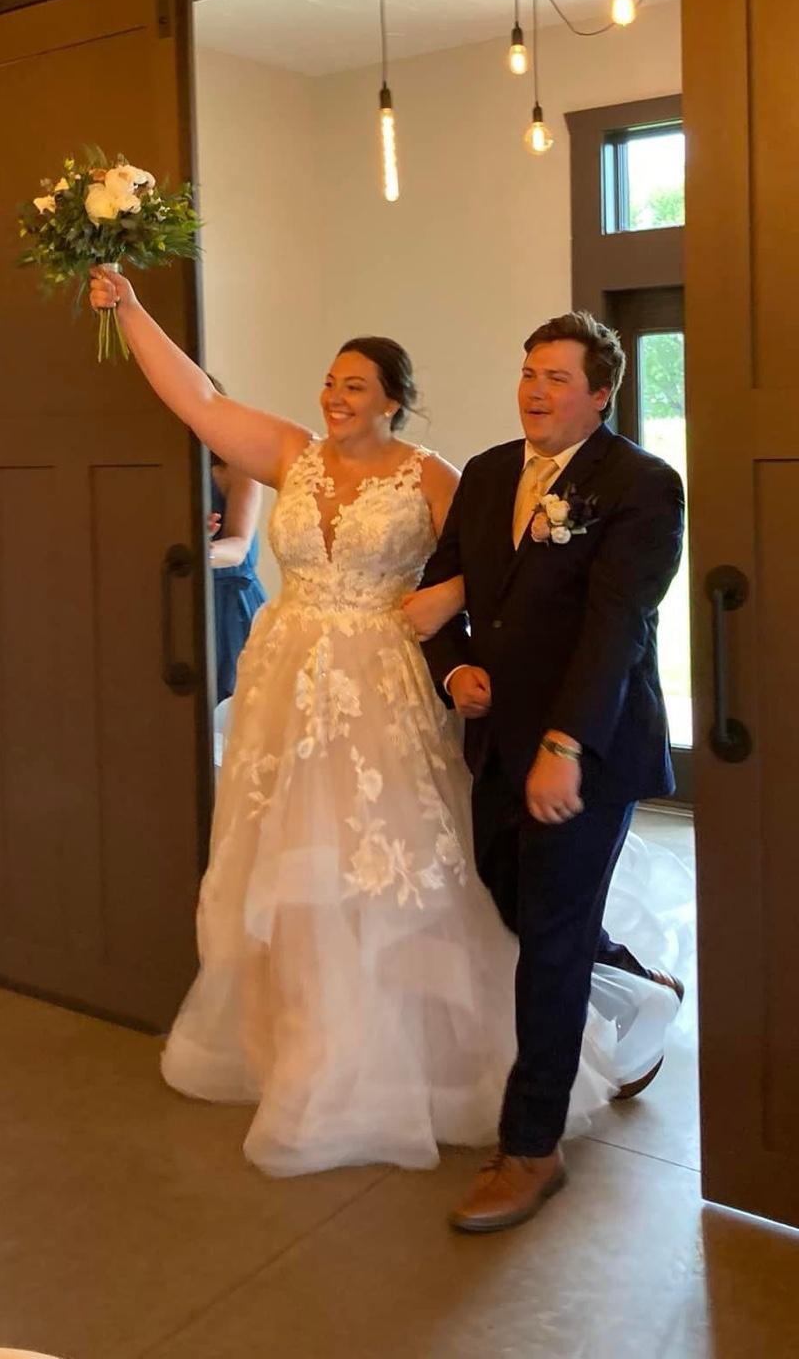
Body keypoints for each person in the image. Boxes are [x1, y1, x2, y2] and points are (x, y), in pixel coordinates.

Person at [86, 267, 668, 1176]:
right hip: (288, 692)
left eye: (355, 385)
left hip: (386, 691)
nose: (335, 397)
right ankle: (310, 1053)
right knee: (302, 873)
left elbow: (505, 569)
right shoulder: (295, 455)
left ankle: (503, 1081)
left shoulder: (438, 476)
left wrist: (452, 615)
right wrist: (129, 310)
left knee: (413, 873)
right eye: (329, 382)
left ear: (393, 400)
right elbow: (198, 401)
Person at [409, 310, 686, 1233]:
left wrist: (565, 746)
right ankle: (638, 985)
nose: (535, 390)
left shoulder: (642, 485)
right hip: (496, 737)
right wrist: (455, 669)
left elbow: (617, 628)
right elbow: (441, 591)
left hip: (588, 747)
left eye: (557, 377)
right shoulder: (489, 473)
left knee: (552, 943)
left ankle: (530, 1149)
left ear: (601, 395)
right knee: (511, 899)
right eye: (529, 372)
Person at [204, 376, 267, 705]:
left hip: (230, 605)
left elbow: (239, 547)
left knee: (234, 709)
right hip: (181, 596)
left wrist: (199, 550)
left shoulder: (239, 466)